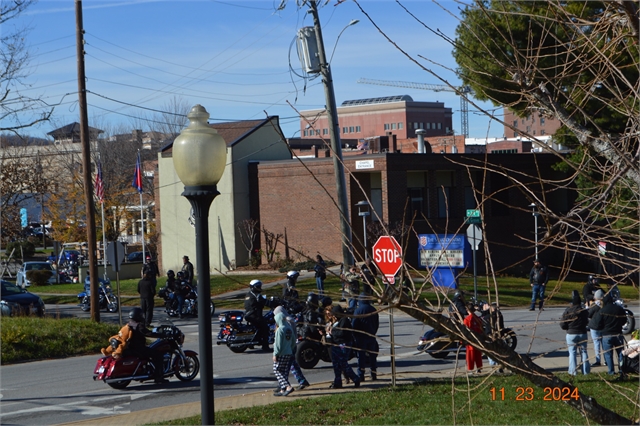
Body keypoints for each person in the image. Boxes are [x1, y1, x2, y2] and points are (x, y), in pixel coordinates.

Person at [273, 305, 310, 392]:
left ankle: (284, 385)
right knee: (292, 365)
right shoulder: (290, 320)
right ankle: (299, 381)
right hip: (292, 345)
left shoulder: (285, 322)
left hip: (287, 347)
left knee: (284, 368)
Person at [125, 307, 167, 384]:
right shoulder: (138, 325)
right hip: (139, 349)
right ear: (138, 316)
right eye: (141, 315)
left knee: (151, 352)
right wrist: (161, 335)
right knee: (158, 355)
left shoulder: (129, 324)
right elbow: (147, 333)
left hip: (131, 348)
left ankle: (146, 371)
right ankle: (159, 377)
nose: (142, 316)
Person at [590, 290, 628, 377]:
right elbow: (624, 321)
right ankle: (622, 370)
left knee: (608, 355)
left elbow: (598, 323)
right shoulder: (619, 309)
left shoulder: (603, 310)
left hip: (606, 335)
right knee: (620, 353)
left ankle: (611, 371)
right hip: (618, 334)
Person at [325, 305, 361, 389]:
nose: (333, 316)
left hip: (343, 344)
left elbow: (341, 333)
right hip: (335, 344)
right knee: (336, 364)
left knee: (343, 364)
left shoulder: (344, 321)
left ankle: (355, 378)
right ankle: (338, 381)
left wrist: (332, 331)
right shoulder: (336, 321)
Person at [560, 290, 590, 375]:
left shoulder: (568, 311)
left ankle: (573, 371)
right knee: (584, 352)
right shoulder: (584, 311)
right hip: (582, 333)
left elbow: (562, 324)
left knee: (572, 353)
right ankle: (586, 371)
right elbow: (587, 321)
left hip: (571, 333)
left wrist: (568, 328)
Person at [352, 293, 379, 381]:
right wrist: (373, 332)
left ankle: (361, 375)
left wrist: (355, 335)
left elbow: (354, 324)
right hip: (371, 335)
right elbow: (376, 323)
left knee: (361, 357)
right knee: (372, 356)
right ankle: (374, 374)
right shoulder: (373, 309)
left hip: (361, 337)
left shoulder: (358, 310)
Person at [272, 310, 296, 397]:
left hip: (281, 353)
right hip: (288, 352)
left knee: (277, 370)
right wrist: (290, 348)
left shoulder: (280, 330)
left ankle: (287, 386)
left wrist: (275, 354)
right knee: (284, 371)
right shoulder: (289, 328)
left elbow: (278, 344)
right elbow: (293, 341)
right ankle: (283, 389)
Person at [244, 279, 270, 351]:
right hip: (255, 316)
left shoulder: (248, 294)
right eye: (258, 286)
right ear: (254, 287)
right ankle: (265, 346)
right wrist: (273, 303)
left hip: (249, 315)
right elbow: (266, 302)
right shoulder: (257, 295)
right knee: (265, 327)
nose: (260, 288)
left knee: (258, 327)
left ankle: (251, 343)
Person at [481, 302, 504, 372]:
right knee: (499, 351)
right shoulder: (499, 314)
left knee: (491, 352)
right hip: (498, 334)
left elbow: (483, 319)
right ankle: (500, 365)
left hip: (490, 335)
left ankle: (493, 365)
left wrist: (484, 311)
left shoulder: (490, 316)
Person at [463, 302, 484, 373]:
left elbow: (465, 330)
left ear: (467, 310)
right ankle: (479, 368)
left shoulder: (467, 320)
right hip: (478, 338)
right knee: (478, 354)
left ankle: (470, 369)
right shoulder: (478, 319)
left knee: (470, 355)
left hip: (470, 340)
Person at [587, 289, 605, 366]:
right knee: (604, 344)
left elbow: (589, 314)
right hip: (603, 326)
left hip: (594, 327)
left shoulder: (594, 306)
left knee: (596, 344)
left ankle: (598, 360)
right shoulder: (605, 305)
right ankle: (607, 360)